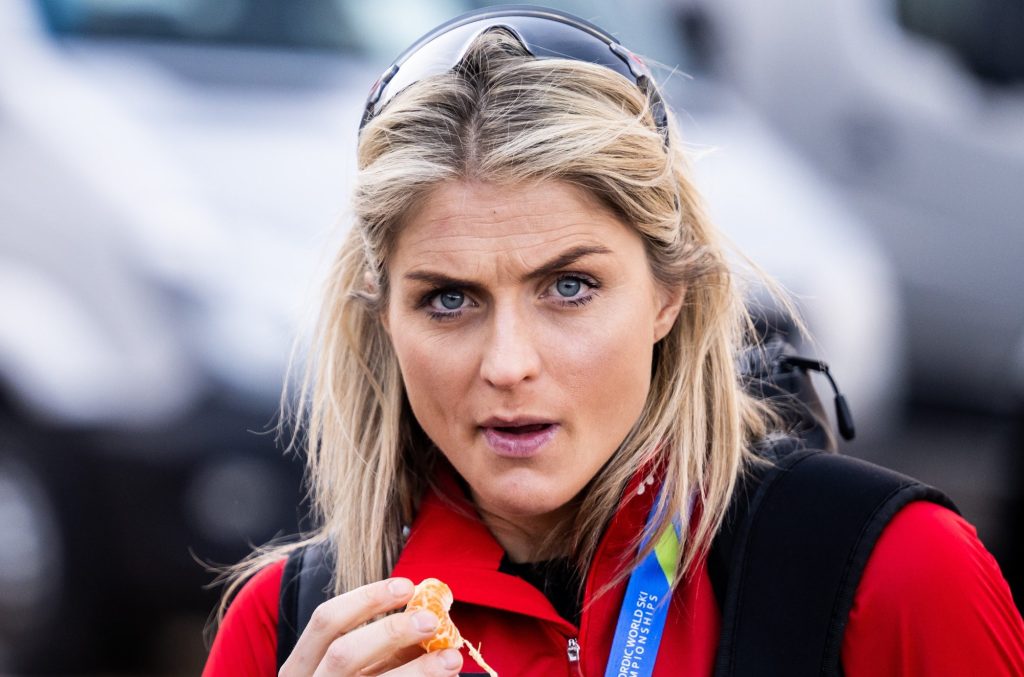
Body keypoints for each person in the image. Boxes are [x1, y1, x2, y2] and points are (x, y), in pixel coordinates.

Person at [203, 7, 1024, 676]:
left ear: (671, 290)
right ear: (384, 317)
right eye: (449, 299)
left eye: (569, 286)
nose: (508, 364)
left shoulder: (891, 570)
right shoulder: (289, 628)